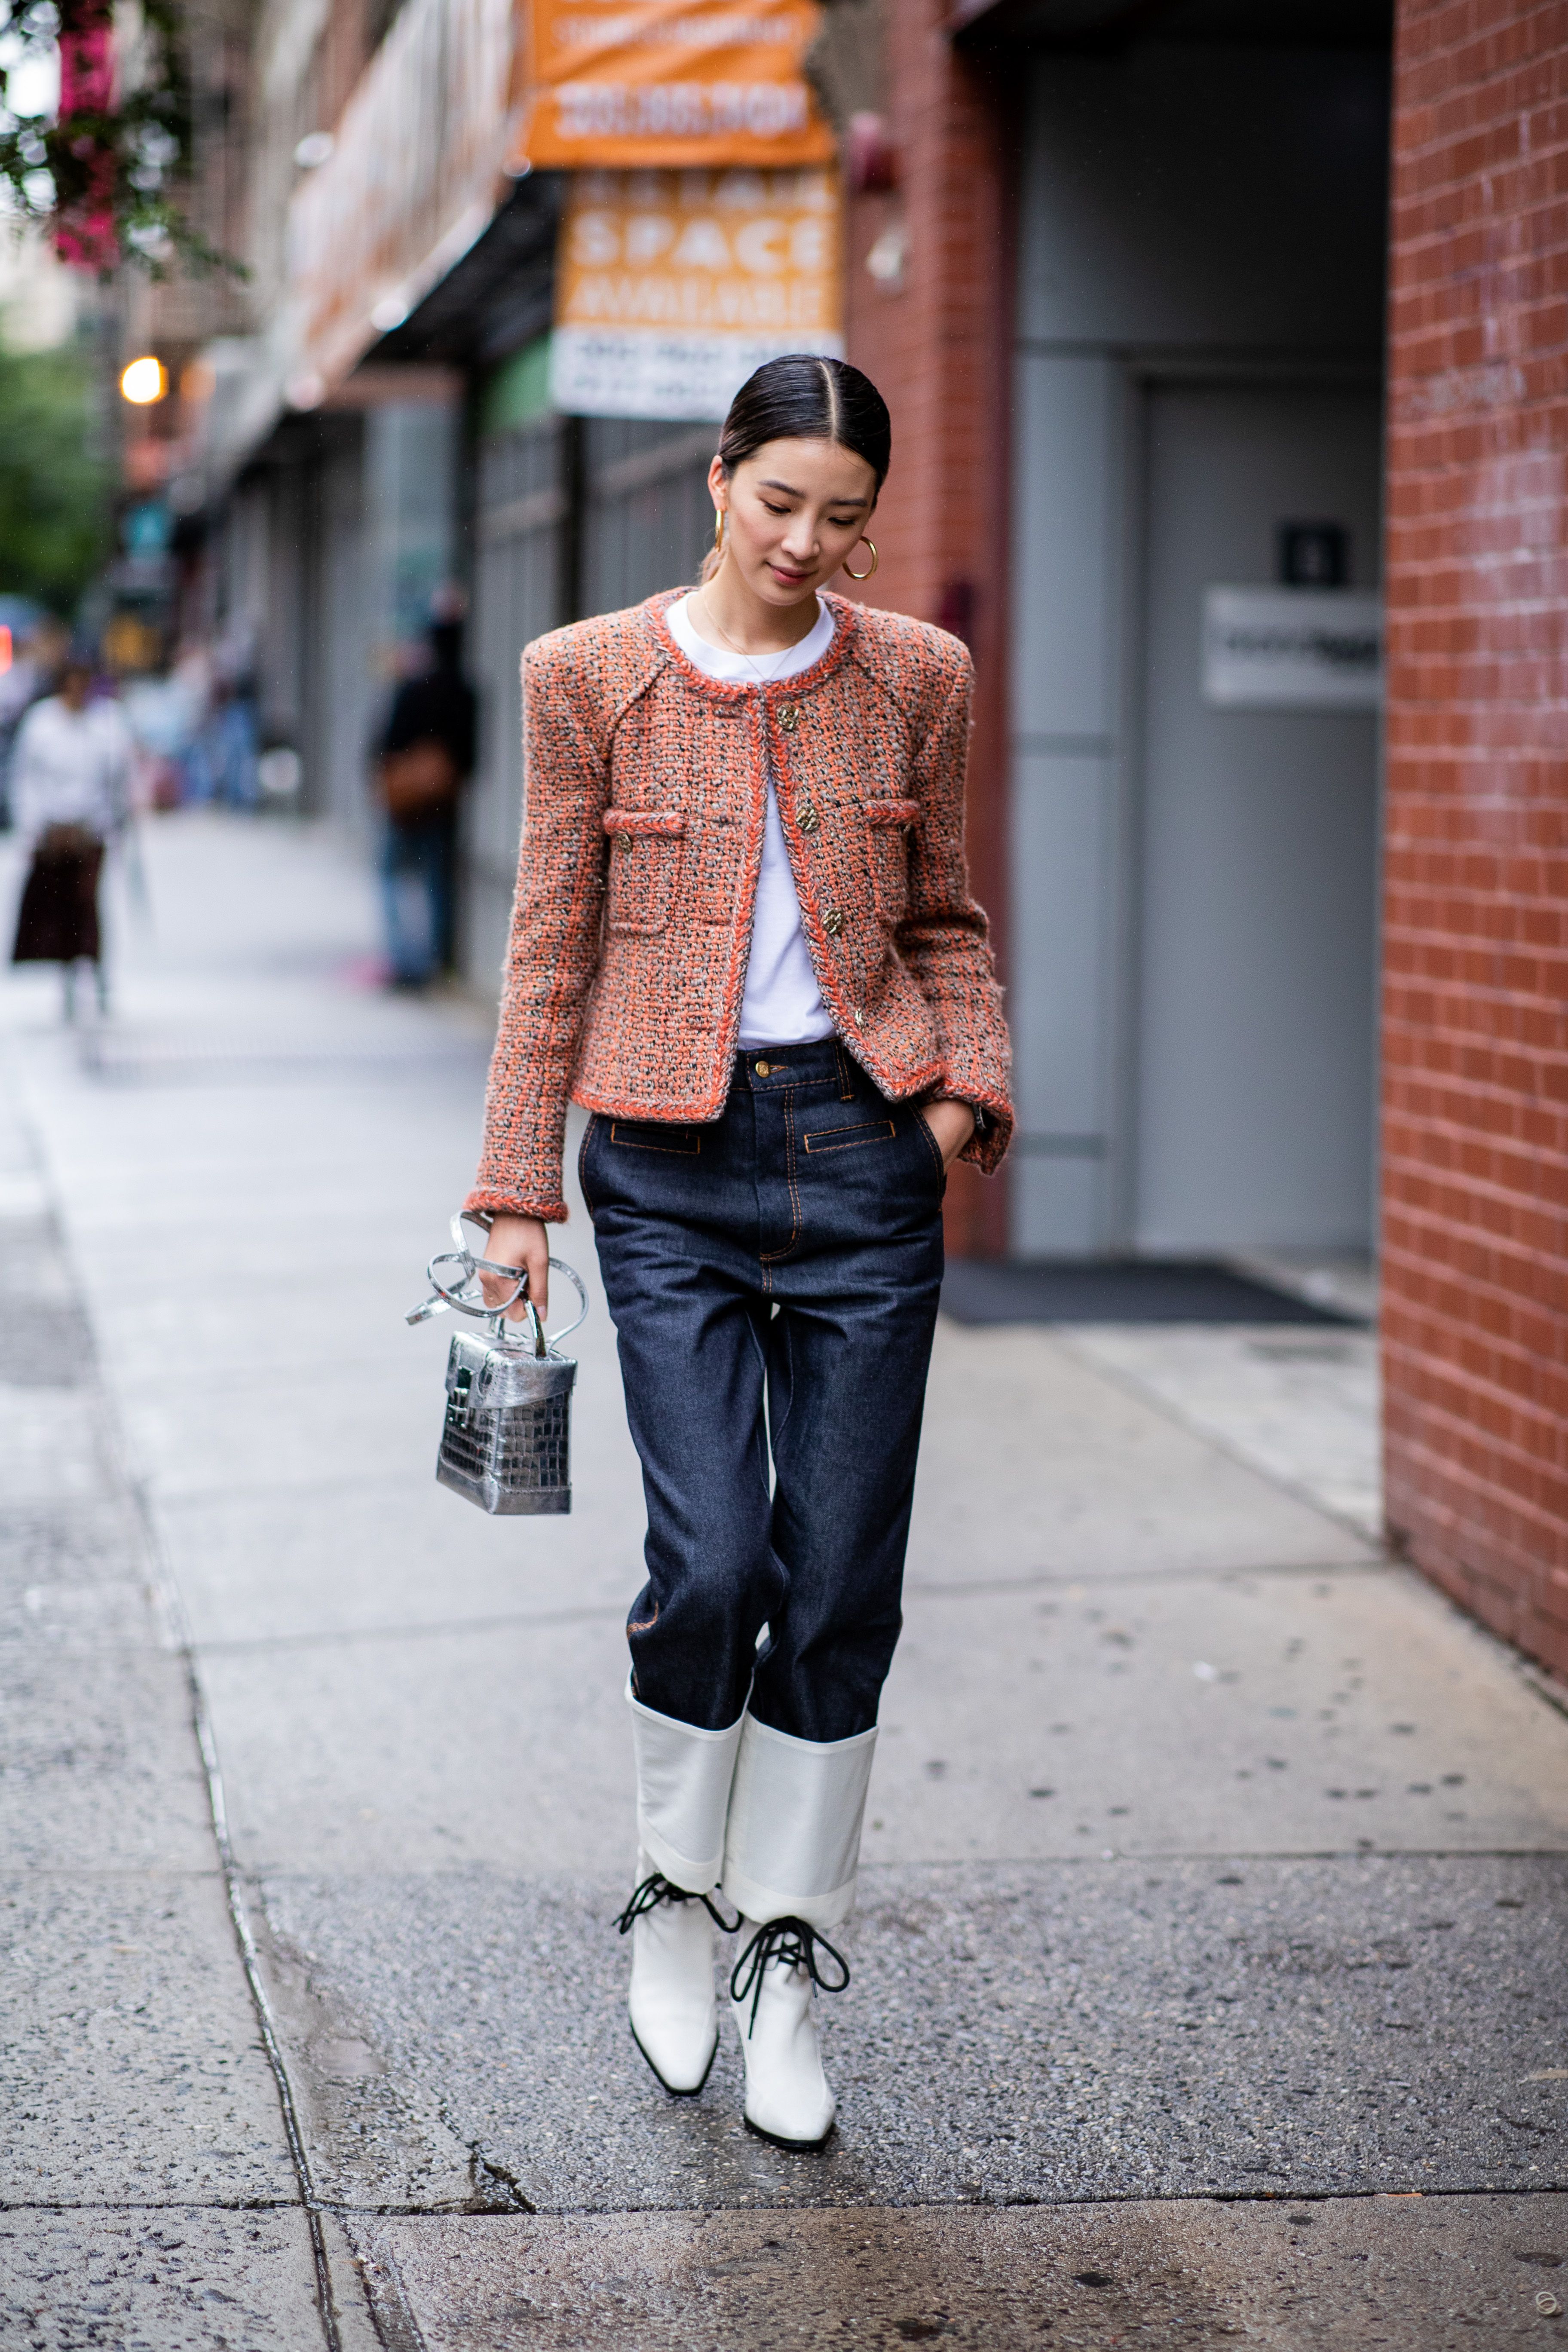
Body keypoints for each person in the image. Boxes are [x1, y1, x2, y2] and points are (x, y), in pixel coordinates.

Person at [467, 355, 1013, 2150]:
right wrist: (512, 1197)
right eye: (780, 503)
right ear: (716, 483)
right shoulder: (587, 677)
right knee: (708, 1562)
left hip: (864, 1156)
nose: (809, 545)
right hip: (668, 1166)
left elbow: (948, 918)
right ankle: (674, 1900)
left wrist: (955, 1111)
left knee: (840, 1573)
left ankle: (789, 1947)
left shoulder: (918, 675)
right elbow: (551, 944)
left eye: (845, 518)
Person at [9, 651, 133, 1018]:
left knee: (87, 903)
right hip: (53, 832)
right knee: (59, 907)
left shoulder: (108, 724)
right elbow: (26, 779)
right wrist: (34, 828)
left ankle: (95, 973)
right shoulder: (41, 724)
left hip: (90, 832)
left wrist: (107, 826)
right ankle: (66, 976)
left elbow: (117, 784)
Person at [374, 601, 477, 987]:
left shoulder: (414, 687)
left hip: (403, 802)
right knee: (437, 880)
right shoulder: (466, 690)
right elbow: (471, 756)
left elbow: (387, 743)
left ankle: (403, 960)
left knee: (393, 877)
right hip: (444, 803)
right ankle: (435, 960)